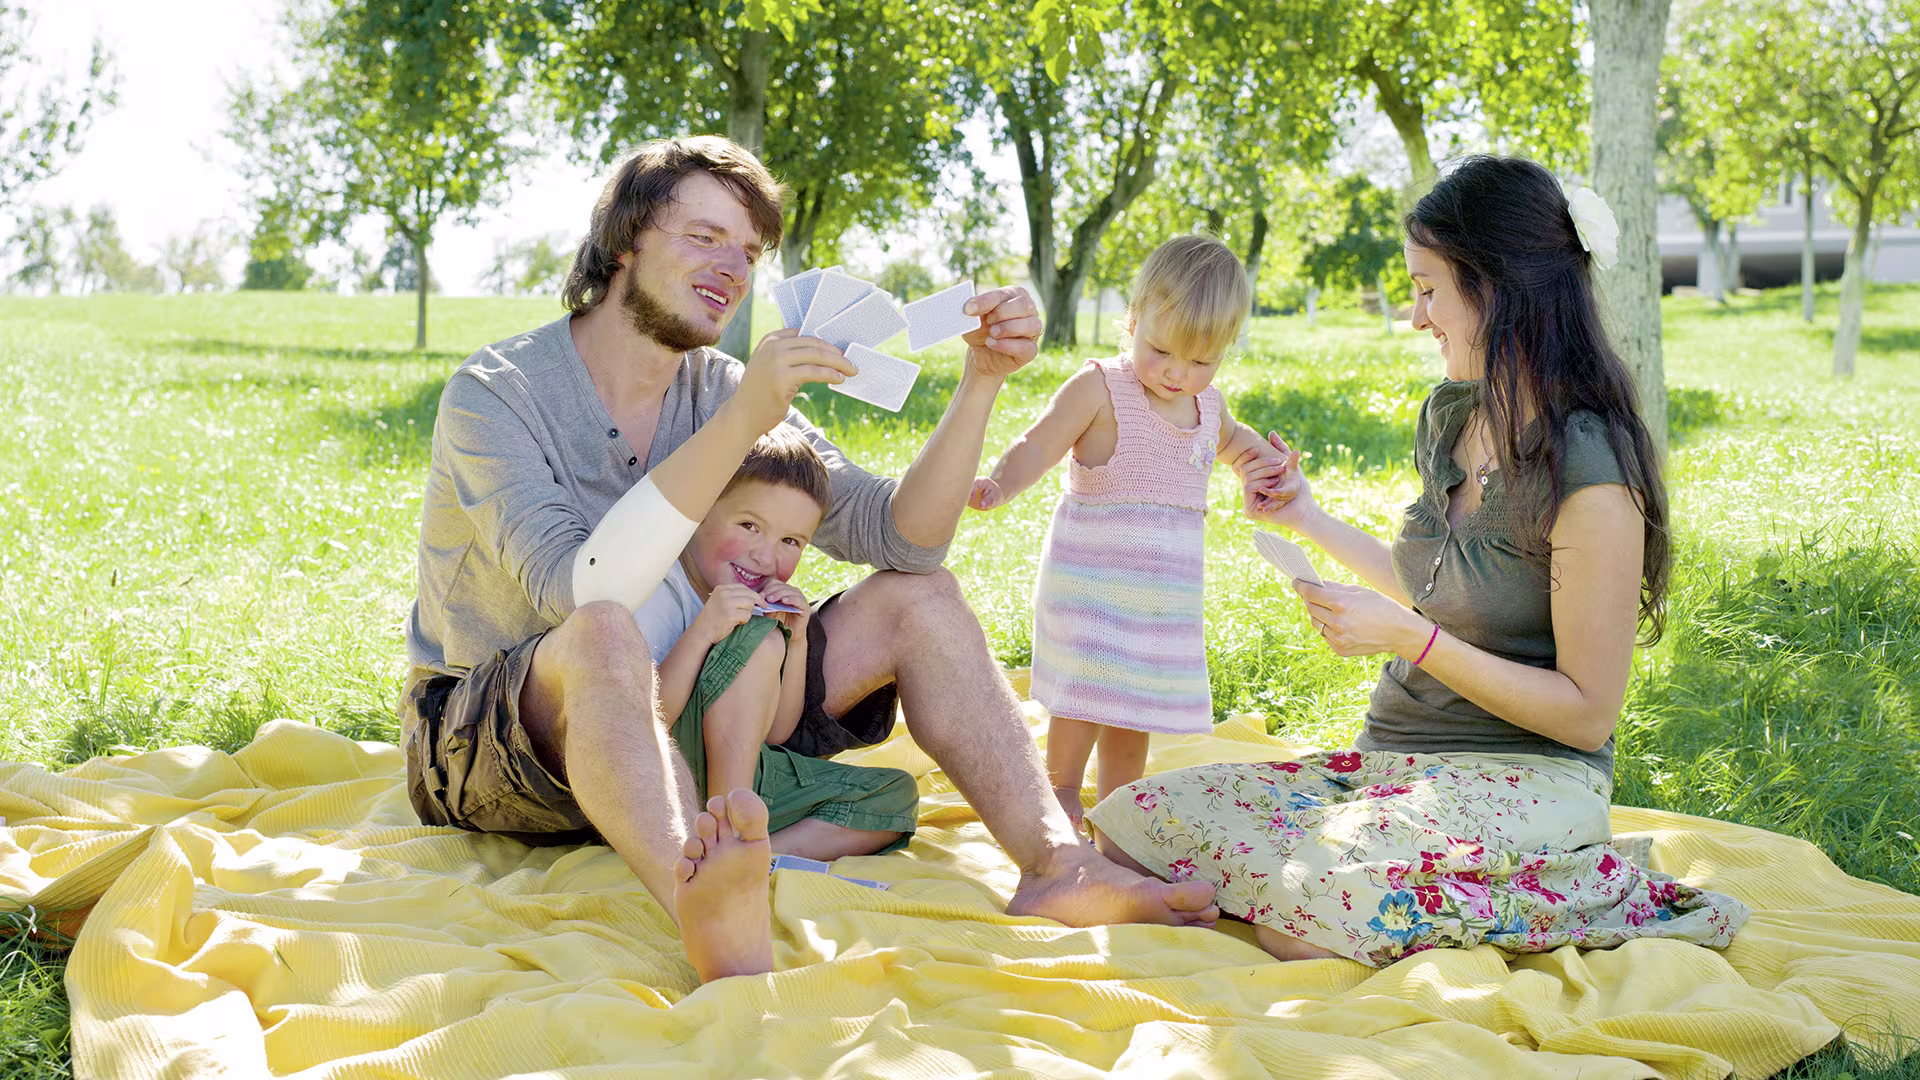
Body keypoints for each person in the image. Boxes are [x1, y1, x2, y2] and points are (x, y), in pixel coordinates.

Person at [400, 135, 1218, 985]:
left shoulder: (721, 387)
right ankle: (700, 896)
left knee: (921, 595)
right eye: (704, 237)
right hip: (502, 746)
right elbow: (577, 592)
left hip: (689, 724)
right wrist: (745, 417)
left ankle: (1056, 865)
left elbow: (901, 537)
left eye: (748, 251)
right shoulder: (497, 394)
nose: (733, 269)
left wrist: (981, 382)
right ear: (623, 242)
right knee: (604, 630)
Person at [1085, 156, 1751, 966]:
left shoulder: (1589, 469)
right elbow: (1441, 586)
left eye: (1429, 290)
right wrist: (1305, 518)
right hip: (1395, 766)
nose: (1415, 317)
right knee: (1131, 822)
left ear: (1496, 289)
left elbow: (1586, 714)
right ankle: (1379, 889)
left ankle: (1577, 886)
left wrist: (1412, 640)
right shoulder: (1453, 415)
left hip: (1531, 779)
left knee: (1299, 919)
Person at [968, 236, 1280, 832]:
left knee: (1135, 710)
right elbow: (1038, 442)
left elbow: (1238, 444)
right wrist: (1000, 484)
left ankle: (1119, 808)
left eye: (1201, 361)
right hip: (1091, 588)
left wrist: (1264, 466)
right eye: (1160, 350)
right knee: (1083, 696)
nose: (1177, 373)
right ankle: (1061, 791)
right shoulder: (1101, 389)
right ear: (1133, 321)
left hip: (1158, 604)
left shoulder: (1209, 408)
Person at [636, 426, 918, 861]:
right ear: (701, 509)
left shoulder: (764, 606)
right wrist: (703, 632)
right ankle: (727, 834)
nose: (765, 557)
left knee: (894, 796)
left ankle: (751, 856)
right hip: (668, 779)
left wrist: (797, 639)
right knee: (758, 638)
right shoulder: (658, 589)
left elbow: (777, 733)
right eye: (749, 526)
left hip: (751, 776)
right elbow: (643, 724)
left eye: (790, 541)